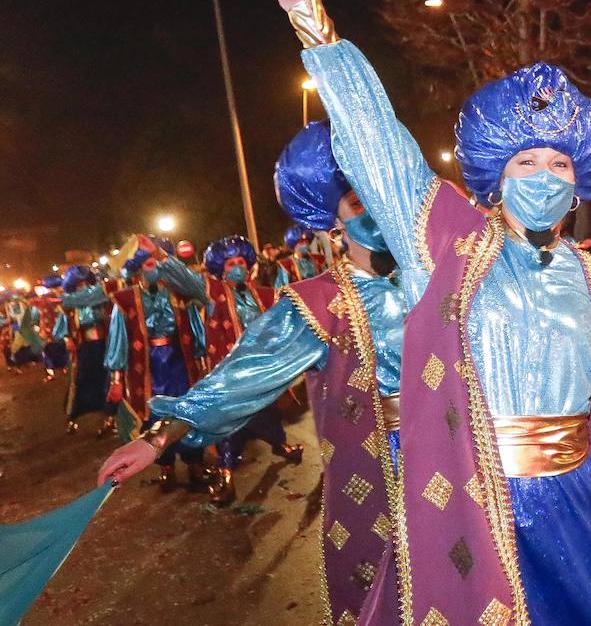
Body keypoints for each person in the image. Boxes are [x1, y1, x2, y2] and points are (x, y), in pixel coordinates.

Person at [236, 0, 591, 624]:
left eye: (559, 161)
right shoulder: (446, 250)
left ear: (579, 176)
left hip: (580, 509)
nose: (544, 175)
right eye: (526, 160)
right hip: (476, 504)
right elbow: (381, 149)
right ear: (496, 174)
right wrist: (316, 29)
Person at [99, 121, 417, 618]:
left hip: (463, 462)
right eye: (357, 201)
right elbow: (239, 379)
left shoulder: (435, 280)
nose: (373, 208)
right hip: (381, 473)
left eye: (379, 193)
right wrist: (156, 437)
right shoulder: (316, 303)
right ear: (331, 218)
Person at [199, 234, 304, 505]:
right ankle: (227, 475)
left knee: (269, 412)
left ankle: (280, 445)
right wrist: (163, 258)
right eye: (231, 262)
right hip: (232, 376)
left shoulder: (262, 294)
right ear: (221, 268)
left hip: (262, 371)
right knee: (230, 424)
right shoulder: (214, 296)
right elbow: (188, 282)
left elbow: (289, 307)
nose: (238, 266)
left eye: (242, 261)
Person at [104, 236, 212, 490]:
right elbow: (117, 340)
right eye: (149, 264)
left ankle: (194, 462)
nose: (153, 270)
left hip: (180, 361)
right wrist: (116, 380)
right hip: (148, 368)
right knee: (154, 418)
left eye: (157, 264)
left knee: (186, 412)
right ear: (139, 268)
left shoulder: (179, 294)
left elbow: (196, 326)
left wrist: (203, 360)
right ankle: (165, 466)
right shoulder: (125, 300)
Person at [56, 265, 116, 437]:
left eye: (85, 283)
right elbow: (61, 327)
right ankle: (72, 418)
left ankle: (109, 420)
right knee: (80, 381)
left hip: (104, 346)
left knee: (107, 381)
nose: (83, 287)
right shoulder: (69, 306)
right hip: (84, 348)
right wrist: (67, 339)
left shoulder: (100, 299)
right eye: (78, 285)